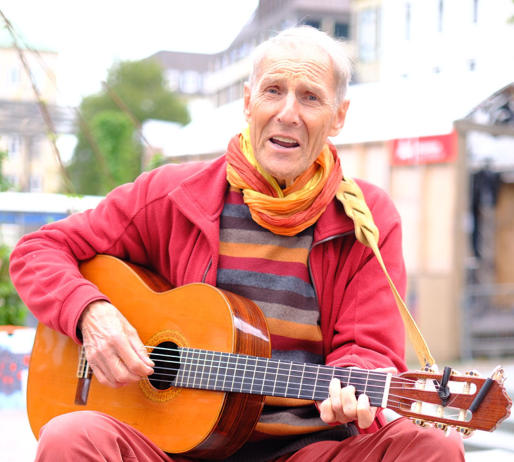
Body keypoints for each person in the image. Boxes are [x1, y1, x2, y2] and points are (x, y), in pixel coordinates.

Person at [10, 26, 464, 461]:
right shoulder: (173, 195)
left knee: (433, 449)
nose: (288, 112)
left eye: (310, 97)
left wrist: (357, 386)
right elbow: (38, 251)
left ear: (338, 117)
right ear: (247, 102)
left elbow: (370, 348)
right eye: (273, 91)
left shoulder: (367, 219)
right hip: (172, 450)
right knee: (70, 436)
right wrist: (92, 312)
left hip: (308, 450)